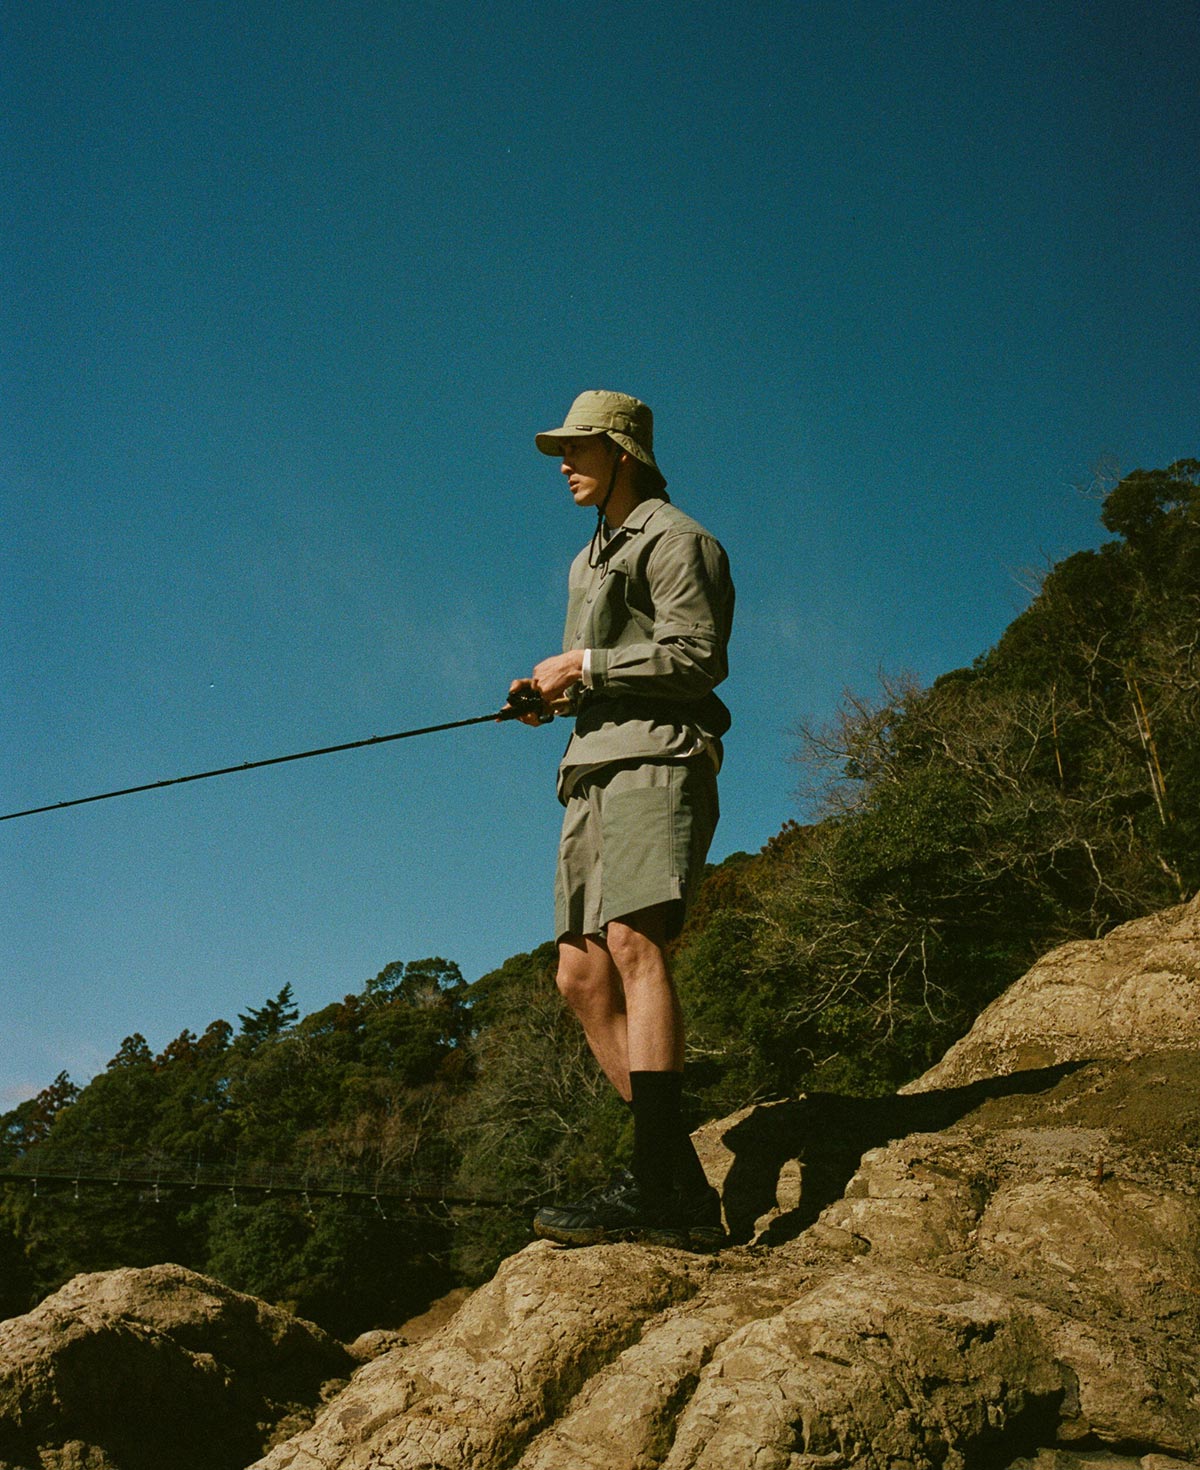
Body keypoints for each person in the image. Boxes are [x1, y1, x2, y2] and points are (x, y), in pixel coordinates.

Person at [506, 389, 734, 1250]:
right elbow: (601, 678)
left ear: (623, 453)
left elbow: (696, 655)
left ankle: (657, 1184)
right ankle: (671, 1174)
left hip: (656, 760)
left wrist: (585, 665)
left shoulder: (680, 540)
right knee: (579, 977)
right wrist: (550, 698)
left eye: (579, 448)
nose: (564, 464)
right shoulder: (587, 559)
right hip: (591, 770)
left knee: (636, 946)